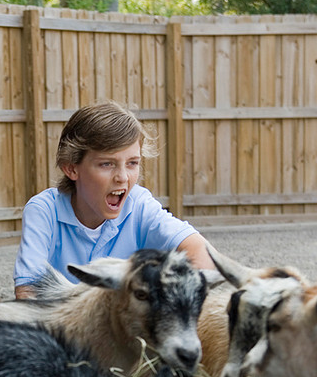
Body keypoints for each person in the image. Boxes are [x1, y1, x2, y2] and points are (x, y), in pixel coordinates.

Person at [13, 100, 215, 299]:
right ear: (72, 168)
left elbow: (200, 251)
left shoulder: (139, 204)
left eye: (132, 163)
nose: (123, 177)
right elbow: (28, 292)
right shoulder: (44, 210)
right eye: (107, 164)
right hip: (61, 326)